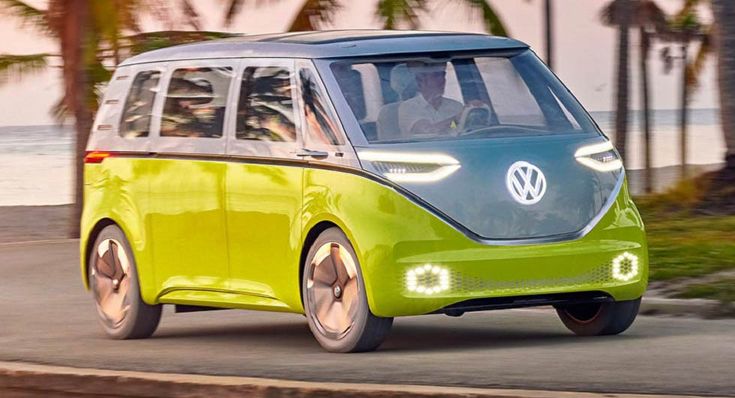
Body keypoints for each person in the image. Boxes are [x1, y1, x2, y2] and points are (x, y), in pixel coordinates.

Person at [398, 61, 464, 137]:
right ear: (421, 81)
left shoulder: (455, 106)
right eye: (436, 76)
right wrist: (456, 118)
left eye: (443, 75)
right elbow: (426, 131)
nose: (442, 80)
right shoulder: (408, 107)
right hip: (425, 148)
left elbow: (454, 127)